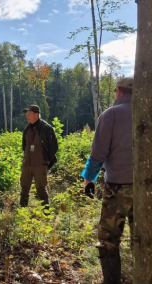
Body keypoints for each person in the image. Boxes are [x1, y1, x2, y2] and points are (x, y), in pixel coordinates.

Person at [81, 77, 134, 284]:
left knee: (108, 239)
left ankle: (112, 281)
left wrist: (89, 179)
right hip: (146, 188)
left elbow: (98, 154)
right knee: (146, 239)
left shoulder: (110, 115)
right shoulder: (147, 112)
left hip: (117, 189)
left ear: (118, 92)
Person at [20, 105, 58, 207]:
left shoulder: (46, 128)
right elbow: (24, 146)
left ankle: (46, 214)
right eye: (26, 114)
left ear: (36, 115)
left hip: (40, 165)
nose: (27, 116)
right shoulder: (27, 129)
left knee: (41, 190)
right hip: (27, 164)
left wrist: (46, 161)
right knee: (24, 189)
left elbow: (54, 147)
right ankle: (22, 212)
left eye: (29, 114)